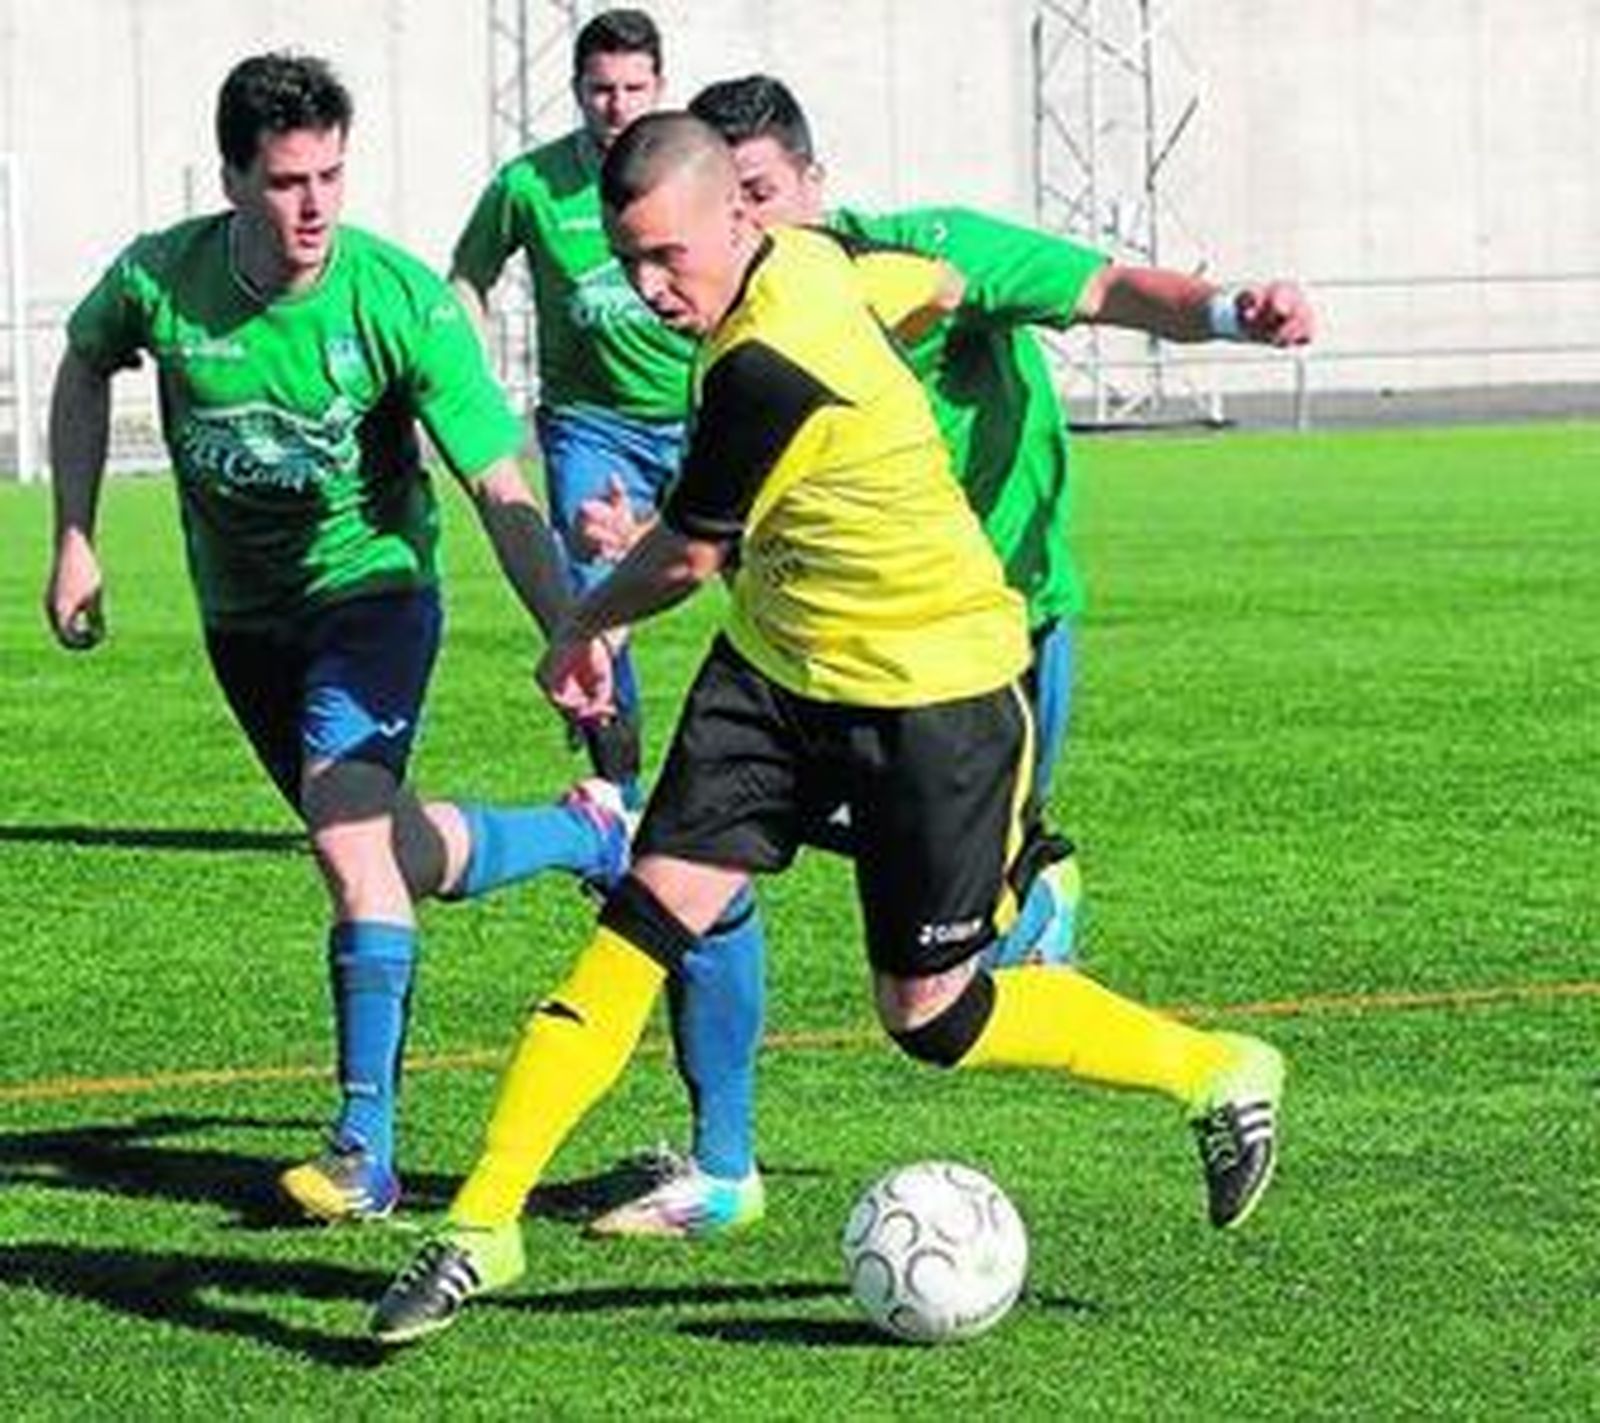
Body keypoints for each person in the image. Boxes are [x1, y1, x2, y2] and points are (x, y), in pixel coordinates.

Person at [369, 112, 1286, 1347]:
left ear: (740, 219)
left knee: (933, 1020)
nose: (648, 291)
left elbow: (690, 555)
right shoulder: (805, 263)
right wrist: (915, 309)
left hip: (934, 687)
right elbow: (924, 281)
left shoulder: (770, 355)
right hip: (775, 673)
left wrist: (575, 626)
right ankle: (483, 1225)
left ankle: (1217, 1068)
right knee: (638, 923)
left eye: (667, 259)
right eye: (627, 262)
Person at [573, 74, 1315, 1238]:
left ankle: (1041, 881)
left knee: (936, 990)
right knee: (696, 886)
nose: (748, 229)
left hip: (988, 641)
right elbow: (733, 501)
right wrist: (655, 540)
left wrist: (1230, 315)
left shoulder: (929, 255)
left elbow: (1110, 286)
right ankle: (722, 1164)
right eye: (733, 207)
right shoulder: (728, 310)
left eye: (765, 196)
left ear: (809, 184)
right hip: (820, 655)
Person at [42, 52, 631, 1225]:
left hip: (373, 601)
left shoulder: (396, 300)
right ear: (231, 180)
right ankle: (581, 836)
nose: (313, 206)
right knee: (390, 848)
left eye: (331, 176)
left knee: (344, 841)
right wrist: (75, 533)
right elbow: (82, 363)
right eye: (286, 180)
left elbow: (497, 485)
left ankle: (365, 1148)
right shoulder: (161, 281)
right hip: (243, 624)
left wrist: (570, 622)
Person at [451, 8, 689, 809]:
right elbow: (467, 275)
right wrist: (469, 375)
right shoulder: (530, 184)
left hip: (703, 412)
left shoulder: (695, 169)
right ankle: (616, 786)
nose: (617, 104)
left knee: (768, 569)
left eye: (634, 87)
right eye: (601, 89)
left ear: (660, 85)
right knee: (595, 592)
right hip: (593, 425)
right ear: (577, 90)